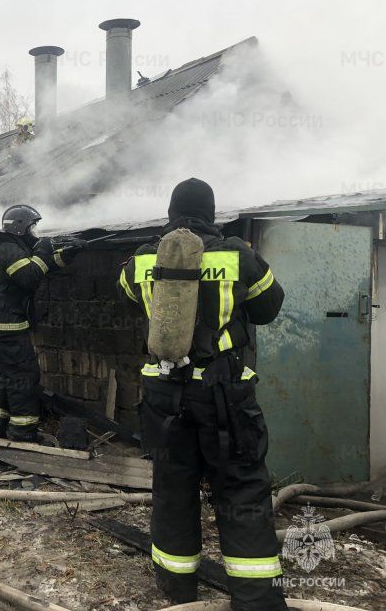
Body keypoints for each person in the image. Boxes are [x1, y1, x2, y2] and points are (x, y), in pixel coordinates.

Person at [119, 178, 287, 610]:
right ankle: (254, 599)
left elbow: (125, 294)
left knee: (174, 488)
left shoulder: (141, 260)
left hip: (164, 396)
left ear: (171, 214)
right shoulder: (237, 254)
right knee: (241, 490)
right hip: (223, 394)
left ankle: (178, 591)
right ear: (212, 214)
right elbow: (270, 308)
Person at [0, 205, 85, 441]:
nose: (35, 232)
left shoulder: (13, 249)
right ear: (20, 228)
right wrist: (44, 251)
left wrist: (65, 256)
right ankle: (23, 431)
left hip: (2, 325)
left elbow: (38, 269)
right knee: (24, 376)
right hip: (9, 327)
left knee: (5, 374)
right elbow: (29, 276)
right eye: (32, 227)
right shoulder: (9, 249)